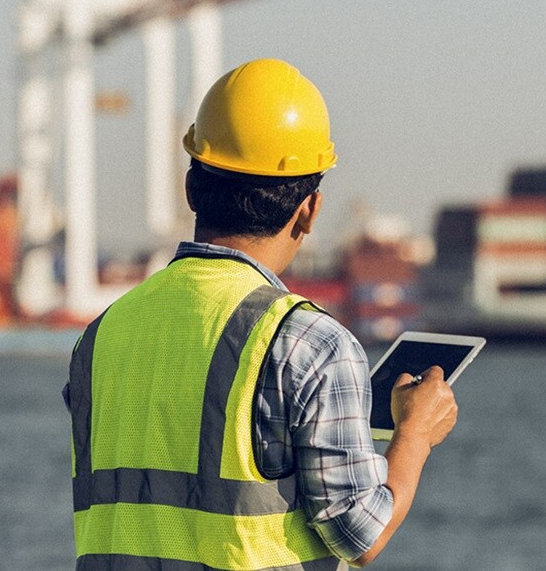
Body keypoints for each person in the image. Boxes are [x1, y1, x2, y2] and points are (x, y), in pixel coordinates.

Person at [64, 58, 458, 570]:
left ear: (190, 187)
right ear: (310, 210)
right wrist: (415, 433)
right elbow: (360, 534)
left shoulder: (101, 334)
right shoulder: (310, 342)